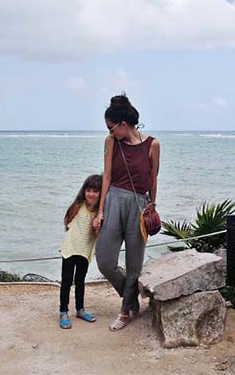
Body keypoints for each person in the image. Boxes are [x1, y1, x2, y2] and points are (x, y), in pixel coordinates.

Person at [94, 94, 160, 331]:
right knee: (105, 260)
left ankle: (125, 312)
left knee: (134, 264)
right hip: (113, 200)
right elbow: (107, 177)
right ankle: (131, 299)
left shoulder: (153, 144)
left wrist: (153, 205)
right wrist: (100, 211)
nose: (110, 132)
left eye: (112, 128)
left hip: (139, 205)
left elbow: (153, 179)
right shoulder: (111, 143)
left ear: (123, 124)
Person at [58, 174, 103, 329]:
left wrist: (97, 225)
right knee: (66, 281)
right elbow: (68, 222)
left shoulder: (100, 214)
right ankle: (63, 311)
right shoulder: (78, 206)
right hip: (70, 248)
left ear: (101, 194)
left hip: (85, 249)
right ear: (84, 191)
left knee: (80, 281)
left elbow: (99, 234)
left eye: (95, 191)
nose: (91, 194)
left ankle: (80, 309)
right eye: (88, 190)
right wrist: (64, 244)